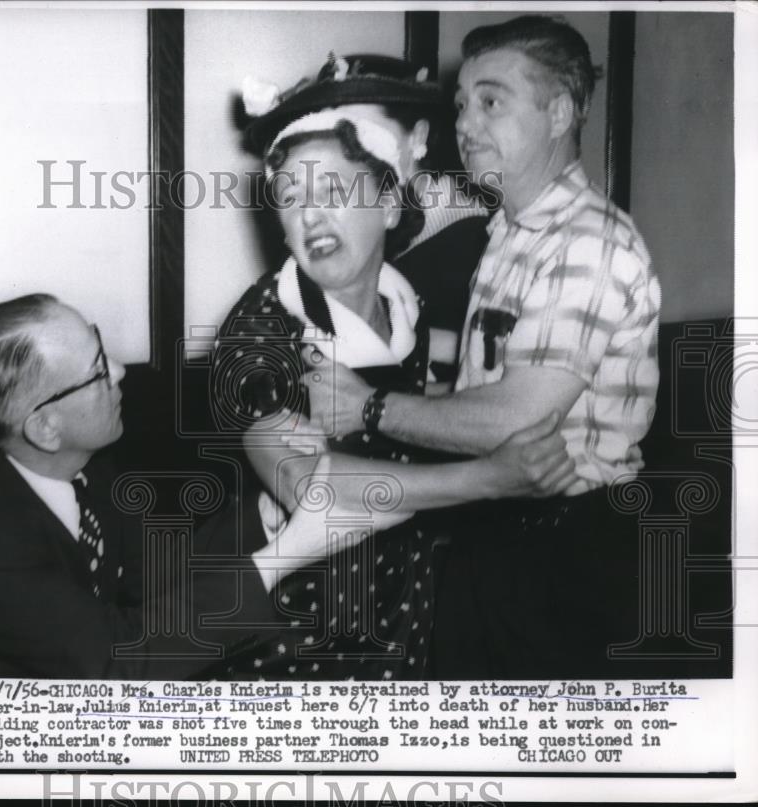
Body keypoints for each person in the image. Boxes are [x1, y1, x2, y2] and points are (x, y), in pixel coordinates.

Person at [302, 16, 662, 678]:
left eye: (491, 101)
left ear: (559, 112)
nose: (465, 123)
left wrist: (369, 409)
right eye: (463, 103)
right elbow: (482, 394)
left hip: (568, 550)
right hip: (500, 530)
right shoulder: (510, 231)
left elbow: (516, 417)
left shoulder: (587, 243)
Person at [208, 67, 575, 680]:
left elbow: (412, 393)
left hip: (405, 600)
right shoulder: (259, 331)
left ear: (386, 202)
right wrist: (486, 478)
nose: (310, 218)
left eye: (333, 192)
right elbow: (313, 489)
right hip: (294, 630)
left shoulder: (402, 301)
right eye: (292, 198)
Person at [0, 293, 395, 679]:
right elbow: (119, 660)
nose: (121, 371)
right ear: (45, 428)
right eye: (96, 371)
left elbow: (155, 575)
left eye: (102, 347)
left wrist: (270, 513)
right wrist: (290, 552)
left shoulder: (79, 468)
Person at [244, 53, 491, 390]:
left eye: (364, 130)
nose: (346, 141)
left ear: (417, 138)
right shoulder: (332, 233)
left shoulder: (473, 235)